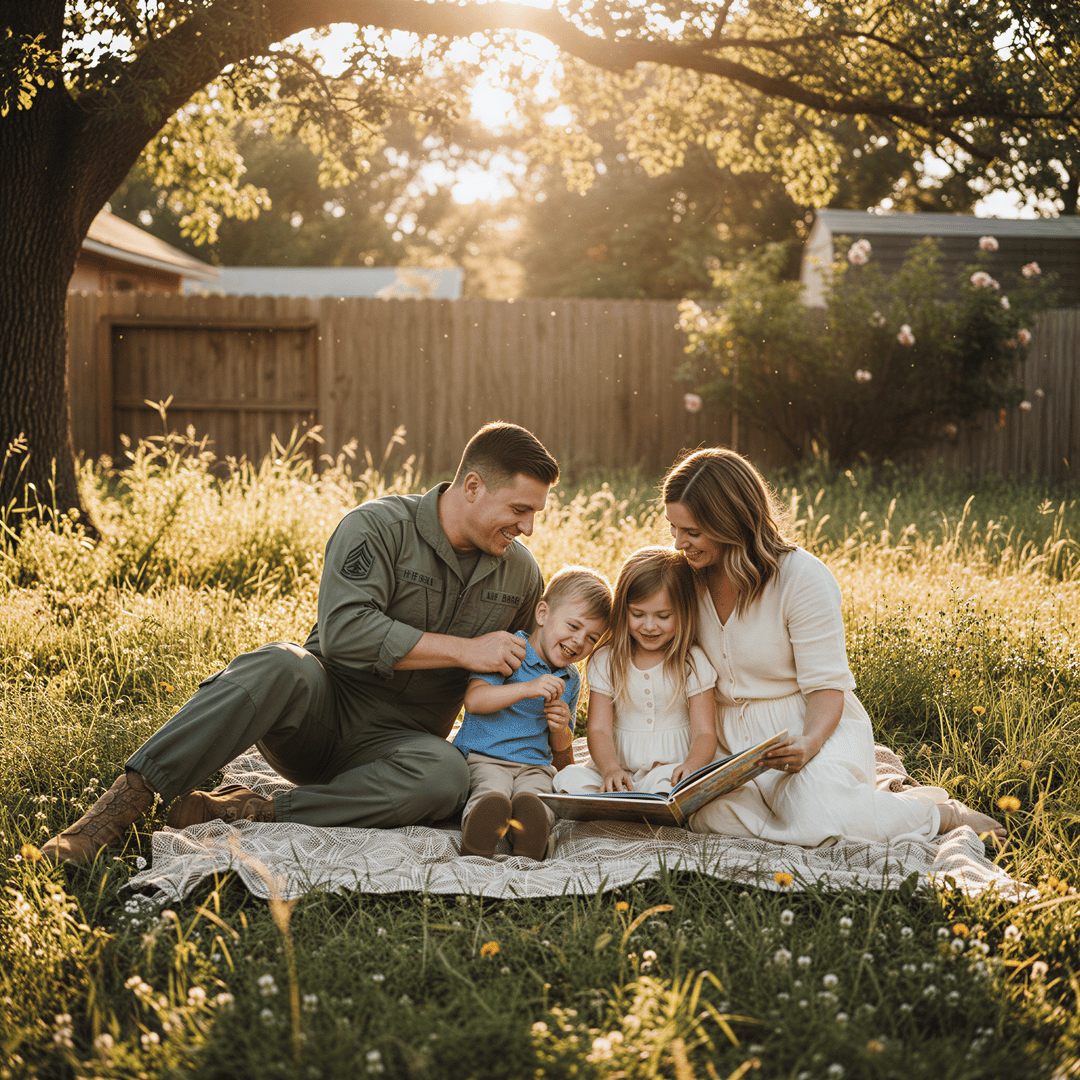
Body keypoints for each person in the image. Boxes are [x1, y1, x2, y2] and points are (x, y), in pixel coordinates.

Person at [42, 422, 561, 866]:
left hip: (400, 749)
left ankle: (248, 810)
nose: (529, 527)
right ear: (473, 486)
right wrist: (465, 649)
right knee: (277, 663)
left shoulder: (521, 574)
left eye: (535, 513)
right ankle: (115, 812)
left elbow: (528, 667)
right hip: (320, 715)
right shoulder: (377, 527)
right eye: (519, 508)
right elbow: (345, 633)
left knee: (446, 778)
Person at [659, 447, 1006, 847]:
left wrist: (809, 743)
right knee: (701, 813)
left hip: (804, 726)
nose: (679, 543)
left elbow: (826, 687)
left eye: (692, 532)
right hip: (722, 737)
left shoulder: (801, 578)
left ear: (731, 523)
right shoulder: (685, 575)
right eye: (673, 528)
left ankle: (940, 814)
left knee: (819, 814)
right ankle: (845, 813)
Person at [454, 566, 612, 860]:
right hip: (486, 756)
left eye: (592, 638)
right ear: (543, 614)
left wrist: (561, 728)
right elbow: (475, 701)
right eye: (573, 627)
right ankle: (478, 838)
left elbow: (561, 753)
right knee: (492, 791)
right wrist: (527, 688)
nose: (579, 642)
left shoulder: (570, 679)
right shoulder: (508, 648)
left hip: (533, 766)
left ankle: (530, 840)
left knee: (537, 796)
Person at [554, 547, 718, 797]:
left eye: (663, 616)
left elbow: (705, 732)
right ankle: (621, 798)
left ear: (684, 612)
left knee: (668, 787)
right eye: (638, 614)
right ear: (623, 609)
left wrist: (692, 766)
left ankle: (640, 803)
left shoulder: (691, 662)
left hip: (671, 770)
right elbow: (599, 730)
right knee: (568, 779)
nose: (649, 626)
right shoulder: (607, 660)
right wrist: (610, 769)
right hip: (618, 770)